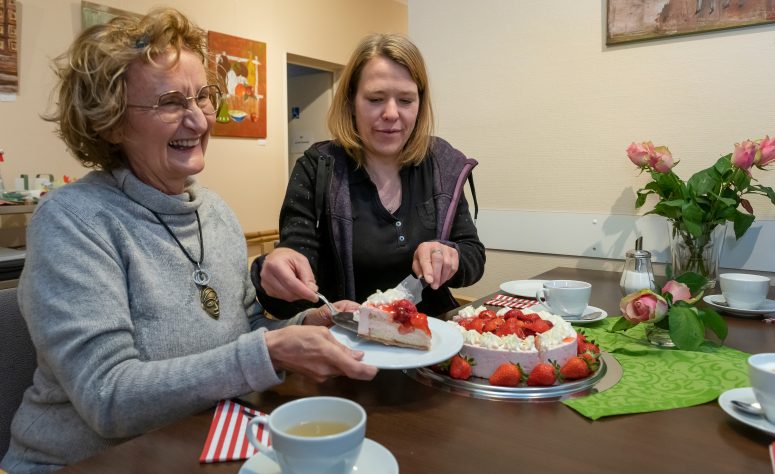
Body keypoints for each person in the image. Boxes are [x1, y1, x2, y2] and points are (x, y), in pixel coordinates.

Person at [0, 9, 376, 473]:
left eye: (203, 97)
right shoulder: (73, 222)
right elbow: (108, 398)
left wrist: (309, 323)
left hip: (191, 449)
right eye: (171, 101)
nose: (198, 120)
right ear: (111, 123)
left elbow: (245, 332)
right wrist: (269, 353)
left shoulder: (213, 211)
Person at [253, 33, 485, 319]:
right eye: (375, 99)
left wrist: (452, 257)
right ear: (351, 102)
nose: (391, 113)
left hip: (435, 343)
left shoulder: (441, 164)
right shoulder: (319, 168)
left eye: (405, 100)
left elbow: (473, 255)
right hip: (350, 347)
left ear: (420, 105)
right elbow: (294, 274)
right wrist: (279, 276)